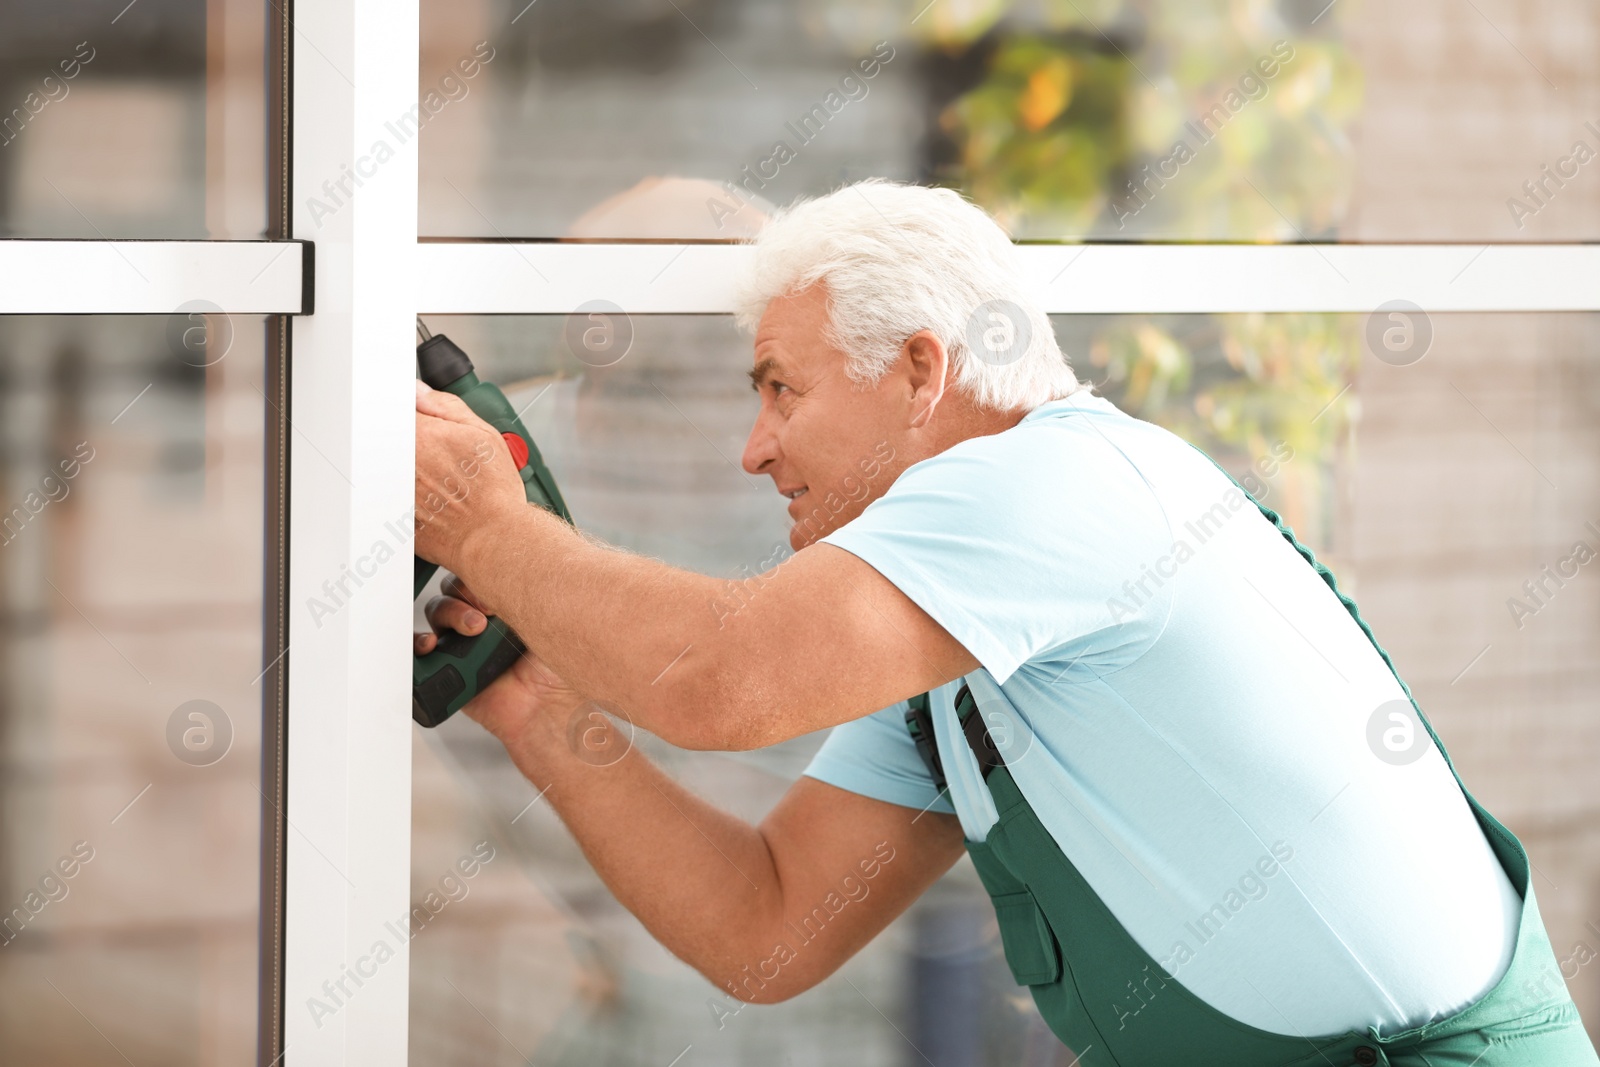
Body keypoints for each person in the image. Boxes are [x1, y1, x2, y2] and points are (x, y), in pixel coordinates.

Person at [413, 179, 1600, 1066]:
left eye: (781, 386)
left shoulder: (1061, 483)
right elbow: (768, 920)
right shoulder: (964, 655)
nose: (753, 446)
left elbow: (719, 681)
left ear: (924, 371)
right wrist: (538, 703)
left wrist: (486, 527)